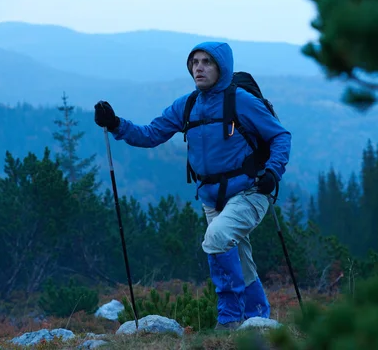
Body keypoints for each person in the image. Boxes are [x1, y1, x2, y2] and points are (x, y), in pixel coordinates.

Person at [94, 41, 291, 330]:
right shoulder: (187, 105)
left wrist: (273, 172)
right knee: (240, 260)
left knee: (216, 240)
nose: (199, 67)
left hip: (251, 191)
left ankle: (229, 321)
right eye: (194, 62)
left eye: (207, 62)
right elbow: (151, 134)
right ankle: (258, 318)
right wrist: (115, 124)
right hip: (211, 198)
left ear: (221, 67)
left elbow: (280, 136)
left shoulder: (241, 101)